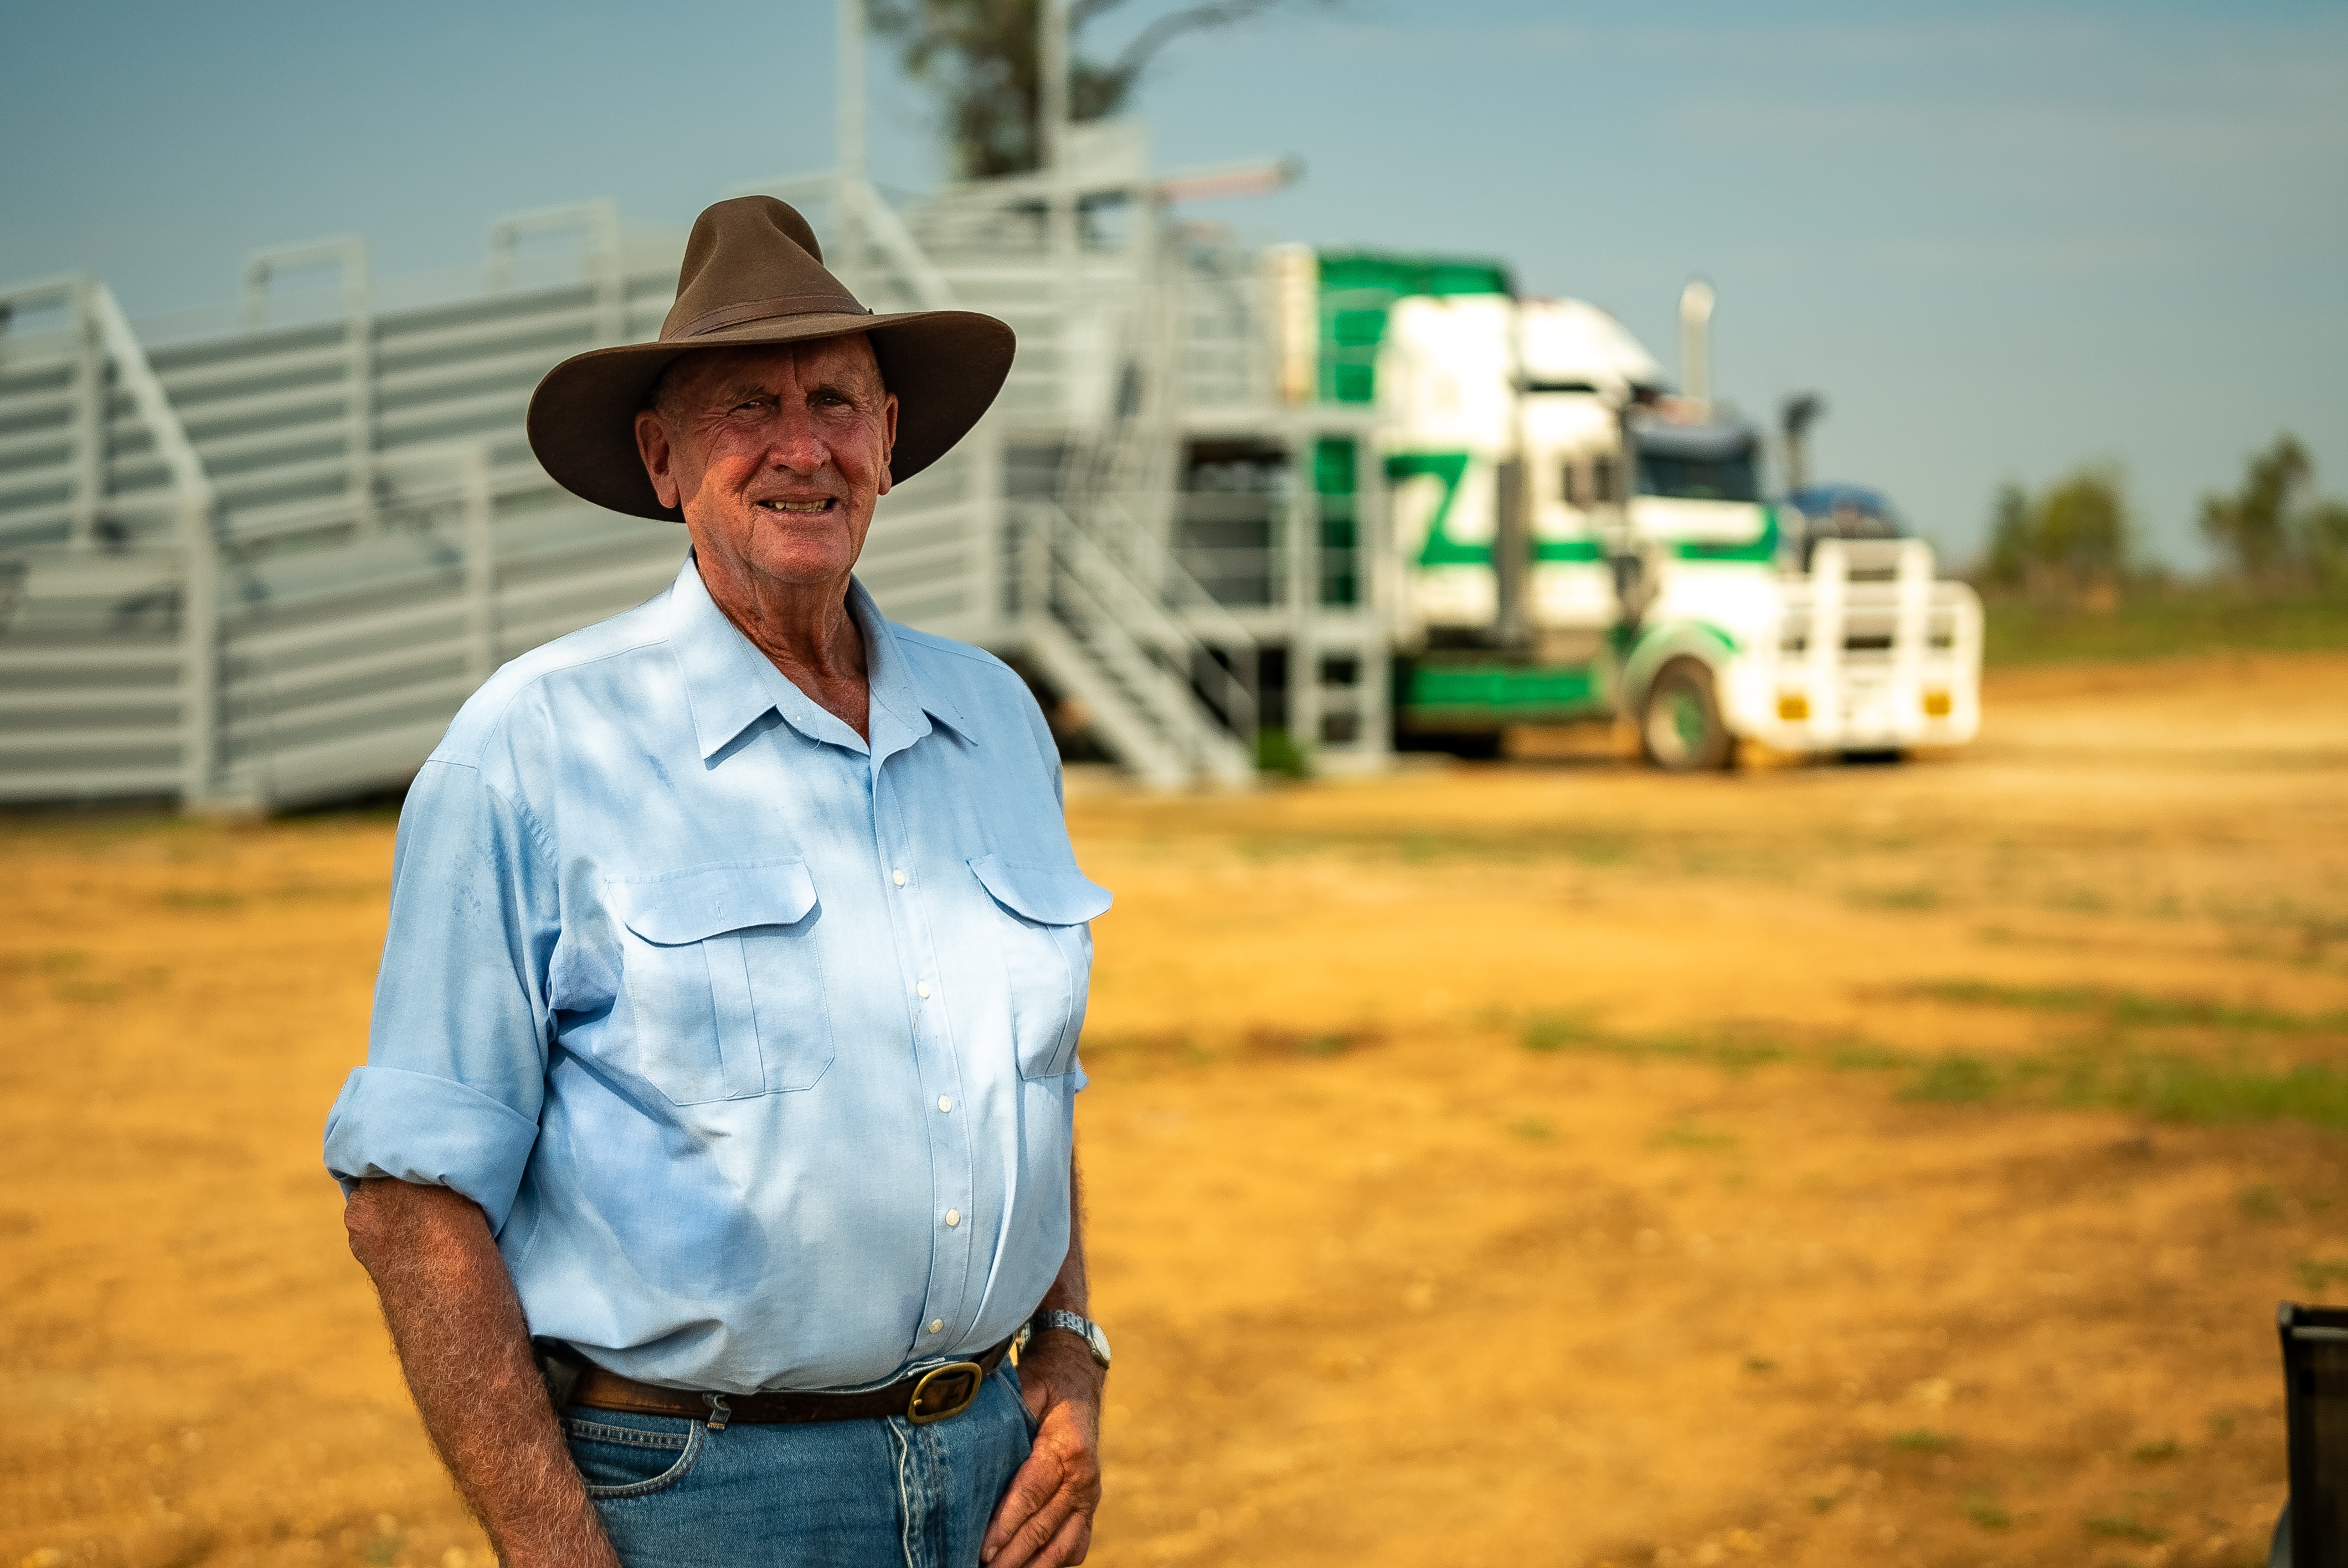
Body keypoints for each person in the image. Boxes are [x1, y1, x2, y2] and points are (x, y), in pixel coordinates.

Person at [323, 197, 1114, 1568]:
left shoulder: (995, 720)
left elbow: (1023, 1086)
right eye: (750, 404)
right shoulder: (536, 747)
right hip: (694, 1497)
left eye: (838, 403)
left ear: (886, 444)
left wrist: (1070, 1349)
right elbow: (411, 1203)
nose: (803, 447)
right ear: (661, 459)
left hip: (993, 1477)